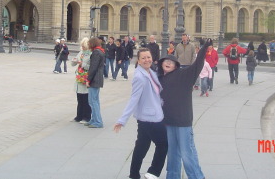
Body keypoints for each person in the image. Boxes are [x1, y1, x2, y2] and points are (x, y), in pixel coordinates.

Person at [157, 38, 212, 179]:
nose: (168, 63)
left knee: (187, 153)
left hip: (182, 122)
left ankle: (197, 176)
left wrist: (205, 47)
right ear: (161, 64)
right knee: (173, 154)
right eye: (165, 61)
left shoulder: (184, 75)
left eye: (171, 62)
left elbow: (197, 65)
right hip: (169, 122)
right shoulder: (160, 79)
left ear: (176, 65)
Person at [114, 48, 168, 179]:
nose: (146, 60)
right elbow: (134, 99)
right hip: (151, 118)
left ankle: (134, 173)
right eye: (143, 58)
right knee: (164, 144)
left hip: (147, 116)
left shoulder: (150, 72)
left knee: (142, 146)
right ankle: (153, 172)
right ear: (138, 61)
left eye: (148, 57)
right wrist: (122, 120)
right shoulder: (140, 77)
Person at [86, 37, 105, 128]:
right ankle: (93, 119)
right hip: (98, 78)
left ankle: (97, 121)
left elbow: (93, 67)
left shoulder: (96, 52)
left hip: (95, 79)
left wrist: (88, 79)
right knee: (94, 100)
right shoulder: (100, 51)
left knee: (93, 101)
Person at [73, 37, 92, 123]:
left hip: (85, 78)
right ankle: (79, 116)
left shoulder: (91, 54)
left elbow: (91, 67)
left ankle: (86, 117)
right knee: (79, 99)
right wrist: (74, 61)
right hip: (79, 78)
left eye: (84, 46)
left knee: (85, 99)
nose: (82, 48)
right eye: (82, 46)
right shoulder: (81, 52)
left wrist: (82, 64)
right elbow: (74, 62)